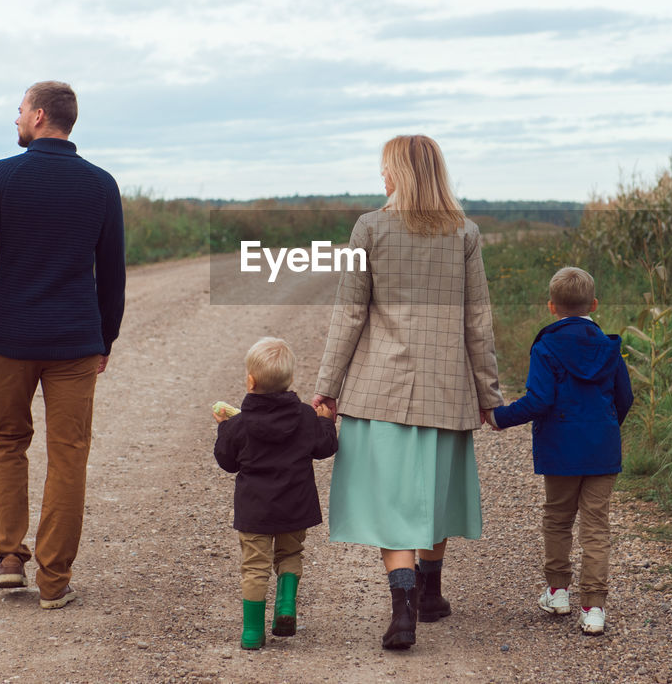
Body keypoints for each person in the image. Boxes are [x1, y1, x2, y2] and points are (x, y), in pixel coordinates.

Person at [0, 81, 125, 610]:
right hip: (75, 344)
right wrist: (105, 337)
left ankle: (11, 558)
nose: (15, 118)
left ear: (39, 116)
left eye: (19, 110)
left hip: (10, 341)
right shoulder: (101, 186)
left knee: (6, 440)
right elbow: (112, 277)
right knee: (68, 456)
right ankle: (54, 580)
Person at [312, 134, 503, 651]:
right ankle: (431, 595)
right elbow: (477, 321)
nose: (382, 178)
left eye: (386, 169)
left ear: (399, 173)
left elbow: (350, 312)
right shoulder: (465, 232)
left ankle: (403, 610)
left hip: (381, 390)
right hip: (447, 389)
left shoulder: (369, 228)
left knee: (397, 502)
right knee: (434, 494)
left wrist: (327, 387)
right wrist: (489, 393)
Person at [488, 266, 634, 636]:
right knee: (596, 527)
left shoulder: (546, 346)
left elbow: (540, 400)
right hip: (602, 449)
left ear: (551, 306)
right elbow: (625, 398)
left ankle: (557, 591)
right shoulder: (609, 347)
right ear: (594, 304)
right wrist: (603, 429)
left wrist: (499, 417)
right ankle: (595, 609)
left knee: (558, 518)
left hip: (561, 449)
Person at [213, 337, 338, 650]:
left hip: (255, 511)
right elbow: (325, 448)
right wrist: (326, 423)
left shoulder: (239, 425)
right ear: (290, 381)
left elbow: (227, 462)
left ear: (250, 381)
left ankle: (252, 633)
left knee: (254, 567)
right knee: (290, 555)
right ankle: (284, 607)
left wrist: (223, 429)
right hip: (295, 507)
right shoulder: (306, 417)